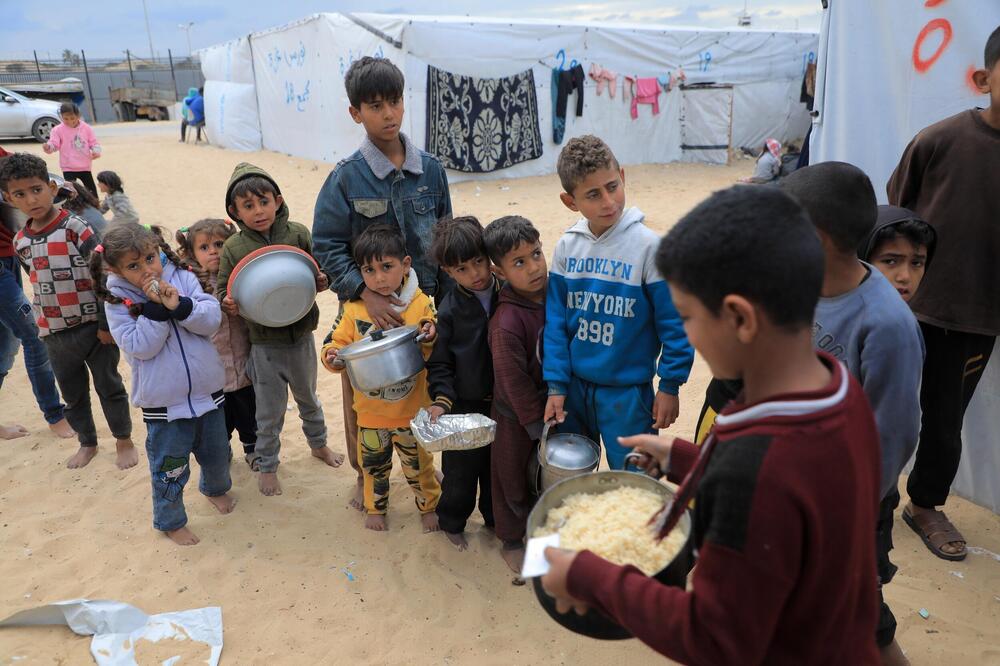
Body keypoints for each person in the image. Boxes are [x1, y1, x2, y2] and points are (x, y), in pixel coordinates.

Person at [541, 185, 881, 664]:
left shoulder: (754, 473)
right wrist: (686, 460)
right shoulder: (838, 389)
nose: (687, 335)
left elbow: (716, 638)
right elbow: (795, 485)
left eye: (687, 318)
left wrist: (590, 577)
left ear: (739, 318)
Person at [782, 163, 924, 666]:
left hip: (849, 504)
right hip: (795, 486)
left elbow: (893, 436)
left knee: (863, 611)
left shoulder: (886, 324)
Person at [312, 56, 452, 510]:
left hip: (423, 306)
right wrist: (364, 291)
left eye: (394, 102)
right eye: (375, 106)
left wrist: (443, 307)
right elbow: (327, 246)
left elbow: (446, 236)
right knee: (367, 397)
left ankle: (426, 480)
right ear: (356, 113)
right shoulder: (345, 177)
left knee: (427, 388)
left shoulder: (430, 170)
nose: (388, 114)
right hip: (364, 311)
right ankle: (366, 477)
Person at [886, 24, 1000, 563]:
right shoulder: (939, 140)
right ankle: (862, 490)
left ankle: (925, 503)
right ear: (983, 77)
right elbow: (898, 204)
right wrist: (900, 278)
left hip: (979, 316)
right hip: (908, 308)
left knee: (945, 421)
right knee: (879, 400)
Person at [543, 136, 693, 470]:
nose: (608, 201)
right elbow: (555, 325)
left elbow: (676, 324)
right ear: (570, 201)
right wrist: (556, 385)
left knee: (634, 478)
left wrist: (669, 385)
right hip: (575, 393)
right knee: (572, 475)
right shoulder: (567, 248)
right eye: (593, 195)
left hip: (627, 394)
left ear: (622, 177)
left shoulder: (650, 248)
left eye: (613, 186)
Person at [93, 223, 236, 546]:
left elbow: (211, 319)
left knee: (216, 453)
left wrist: (180, 305)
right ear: (115, 269)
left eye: (149, 258)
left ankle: (215, 489)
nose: (147, 269)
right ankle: (171, 520)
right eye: (133, 266)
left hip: (207, 390)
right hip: (164, 404)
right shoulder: (117, 300)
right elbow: (139, 346)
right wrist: (156, 310)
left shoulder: (183, 277)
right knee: (169, 467)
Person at [1, 153, 136, 469]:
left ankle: (123, 440)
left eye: (36, 189)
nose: (31, 199)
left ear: (51, 187)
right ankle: (87, 443)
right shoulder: (20, 241)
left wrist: (106, 324)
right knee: (73, 396)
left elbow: (103, 276)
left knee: (109, 387)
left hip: (93, 328)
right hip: (55, 334)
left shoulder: (77, 227)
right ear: (8, 198)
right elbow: (36, 277)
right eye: (20, 194)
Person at [215, 162, 341, 496]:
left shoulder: (297, 233)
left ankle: (319, 445)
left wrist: (322, 281)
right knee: (268, 412)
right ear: (235, 210)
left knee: (309, 399)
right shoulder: (234, 248)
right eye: (248, 206)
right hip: (264, 345)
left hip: (301, 338)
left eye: (264, 202)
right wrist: (226, 303)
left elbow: (317, 272)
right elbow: (222, 289)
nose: (258, 211)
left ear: (278, 201)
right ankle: (268, 465)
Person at [321, 224, 441, 533]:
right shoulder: (354, 309)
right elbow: (336, 344)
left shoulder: (420, 303)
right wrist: (333, 357)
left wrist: (429, 333)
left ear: (405, 265)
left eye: (386, 267)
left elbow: (432, 336)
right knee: (374, 466)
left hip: (413, 411)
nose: (378, 277)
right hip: (371, 414)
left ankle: (429, 507)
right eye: (368, 270)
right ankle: (376, 508)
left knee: (420, 467)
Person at [859, 204, 937, 666]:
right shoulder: (847, 311)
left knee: (867, 612)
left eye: (917, 262)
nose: (905, 275)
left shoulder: (895, 329)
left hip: (863, 498)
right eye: (891, 261)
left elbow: (897, 435)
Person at [426, 216, 498, 550]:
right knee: (460, 473)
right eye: (462, 269)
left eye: (479, 262)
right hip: (464, 406)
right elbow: (440, 362)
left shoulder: (507, 292)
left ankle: (496, 522)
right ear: (448, 272)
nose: (476, 274)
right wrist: (442, 399)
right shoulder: (450, 308)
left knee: (498, 471)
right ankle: (452, 522)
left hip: (503, 402)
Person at [483, 215, 548, 575]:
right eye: (519, 262)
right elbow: (512, 381)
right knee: (511, 480)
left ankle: (544, 539)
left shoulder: (554, 295)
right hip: (514, 417)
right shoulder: (506, 322)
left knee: (545, 478)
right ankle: (511, 541)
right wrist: (535, 425)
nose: (534, 267)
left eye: (536, 254)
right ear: (501, 272)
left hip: (553, 407)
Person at [0, 152, 73, 441]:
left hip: (8, 255)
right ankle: (55, 415)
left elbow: (23, 171)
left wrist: (58, 183)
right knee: (34, 333)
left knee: (6, 344)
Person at [176, 218, 258, 469]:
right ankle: (222, 452)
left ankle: (253, 449)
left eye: (219, 244)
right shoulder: (191, 285)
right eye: (204, 247)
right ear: (192, 253)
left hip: (244, 364)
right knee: (219, 421)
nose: (212, 251)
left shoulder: (240, 277)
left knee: (249, 414)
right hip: (213, 370)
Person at [42, 103, 100, 197]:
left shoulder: (86, 128)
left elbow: (93, 142)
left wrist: (96, 151)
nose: (70, 121)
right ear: (61, 117)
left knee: (91, 190)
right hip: (68, 166)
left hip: (84, 165)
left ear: (78, 116)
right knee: (71, 191)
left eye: (72, 118)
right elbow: (54, 144)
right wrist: (48, 147)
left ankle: (95, 206)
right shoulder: (57, 130)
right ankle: (74, 209)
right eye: (66, 119)